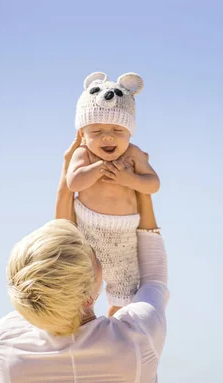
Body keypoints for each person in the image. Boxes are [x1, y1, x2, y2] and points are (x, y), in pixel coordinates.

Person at [0, 132, 169, 383]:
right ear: (86, 297)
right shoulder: (138, 340)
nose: (97, 256)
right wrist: (138, 185)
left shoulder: (5, 346)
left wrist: (66, 177)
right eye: (95, 259)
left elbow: (46, 282)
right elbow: (154, 279)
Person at [68, 71, 160, 316]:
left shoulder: (133, 154)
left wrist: (130, 179)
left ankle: (113, 326)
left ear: (129, 132)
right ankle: (84, 324)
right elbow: (73, 184)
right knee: (80, 283)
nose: (107, 137)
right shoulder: (84, 155)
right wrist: (97, 168)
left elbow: (153, 184)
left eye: (117, 130)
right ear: (83, 135)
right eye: (96, 131)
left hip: (124, 233)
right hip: (88, 227)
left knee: (124, 290)